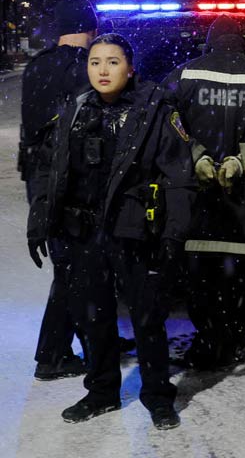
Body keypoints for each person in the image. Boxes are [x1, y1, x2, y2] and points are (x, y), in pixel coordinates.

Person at [26, 33, 195, 429]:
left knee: (147, 318)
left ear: (130, 67)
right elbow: (49, 170)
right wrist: (40, 223)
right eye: (95, 62)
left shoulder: (155, 110)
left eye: (113, 62)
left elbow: (180, 177)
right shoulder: (75, 108)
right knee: (93, 317)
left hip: (135, 231)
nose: (102, 70)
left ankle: (157, 396)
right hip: (81, 232)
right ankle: (101, 392)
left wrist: (174, 234)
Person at [164, 16, 245, 368]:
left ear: (209, 42)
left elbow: (166, 124)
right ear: (241, 43)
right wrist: (243, 161)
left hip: (200, 198)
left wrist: (196, 157)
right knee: (244, 276)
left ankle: (208, 343)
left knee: (202, 276)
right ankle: (236, 337)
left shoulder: (184, 75)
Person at [19, 0, 96, 381]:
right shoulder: (83, 68)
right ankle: (51, 356)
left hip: (40, 179)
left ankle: (93, 339)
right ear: (91, 28)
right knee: (74, 269)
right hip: (69, 181)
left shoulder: (37, 66)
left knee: (74, 265)